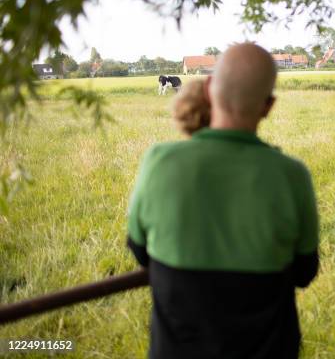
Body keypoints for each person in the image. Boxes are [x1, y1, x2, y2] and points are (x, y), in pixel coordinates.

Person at [126, 43, 319, 359]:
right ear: (268, 106)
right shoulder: (292, 175)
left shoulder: (159, 162)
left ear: (208, 89)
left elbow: (139, 251)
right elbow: (304, 272)